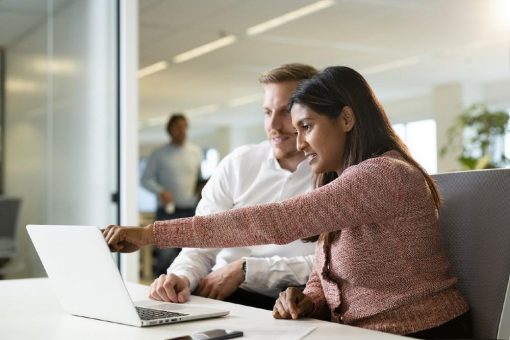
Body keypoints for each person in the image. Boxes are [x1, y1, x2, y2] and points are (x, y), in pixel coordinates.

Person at [105, 66, 471, 338]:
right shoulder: (342, 181)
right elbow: (322, 273)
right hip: (359, 332)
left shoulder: (382, 174)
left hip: (420, 331)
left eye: (307, 127)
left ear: (346, 118)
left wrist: (150, 234)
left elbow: (278, 221)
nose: (299, 143)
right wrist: (308, 300)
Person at [148, 63, 319, 310]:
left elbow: (330, 264)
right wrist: (182, 276)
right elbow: (201, 243)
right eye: (267, 112)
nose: (273, 125)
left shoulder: (335, 175)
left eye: (285, 112)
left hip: (297, 304)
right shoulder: (238, 164)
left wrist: (247, 269)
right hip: (221, 296)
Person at [141, 113, 202, 275]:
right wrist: (160, 191)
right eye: (178, 127)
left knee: (189, 256)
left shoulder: (196, 152)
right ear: (170, 130)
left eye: (185, 127)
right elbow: (145, 179)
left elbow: (198, 179)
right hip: (167, 212)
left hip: (190, 211)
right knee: (166, 257)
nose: (182, 131)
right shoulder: (159, 154)